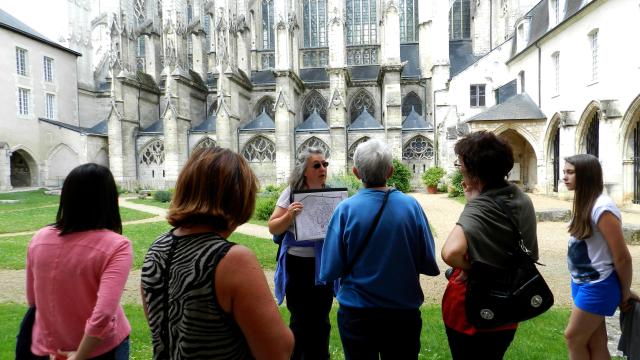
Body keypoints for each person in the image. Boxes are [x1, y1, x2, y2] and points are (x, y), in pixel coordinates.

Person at [141, 147, 293, 360]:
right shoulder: (230, 260)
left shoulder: (156, 250)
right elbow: (278, 351)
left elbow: (160, 327)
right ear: (239, 198)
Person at [319, 139, 440, 360]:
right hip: (402, 314)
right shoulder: (411, 207)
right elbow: (428, 262)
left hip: (357, 314)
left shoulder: (345, 210)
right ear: (391, 171)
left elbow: (329, 269)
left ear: (356, 173)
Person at [441, 131, 538, 359]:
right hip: (509, 302)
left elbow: (450, 252)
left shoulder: (481, 206)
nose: (459, 167)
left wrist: (470, 268)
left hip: (473, 308)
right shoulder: (521, 198)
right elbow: (530, 253)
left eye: (460, 164)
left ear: (474, 172)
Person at [26, 163, 132, 360]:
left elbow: (33, 299)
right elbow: (103, 314)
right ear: (109, 199)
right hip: (100, 350)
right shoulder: (117, 245)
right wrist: (81, 355)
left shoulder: (39, 238)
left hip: (48, 346)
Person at [562, 154, 639, 359]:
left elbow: (623, 257)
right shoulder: (585, 202)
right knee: (595, 342)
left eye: (570, 172)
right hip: (581, 281)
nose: (564, 177)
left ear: (586, 175)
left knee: (573, 337)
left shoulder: (602, 207)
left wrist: (624, 291)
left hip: (598, 284)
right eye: (564, 172)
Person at [267, 147, 333, 360]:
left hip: (322, 264)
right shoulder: (291, 192)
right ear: (305, 171)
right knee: (300, 320)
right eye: (317, 165)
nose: (322, 168)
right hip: (297, 264)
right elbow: (273, 227)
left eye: (325, 164)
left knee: (321, 320)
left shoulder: (331, 193)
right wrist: (289, 215)